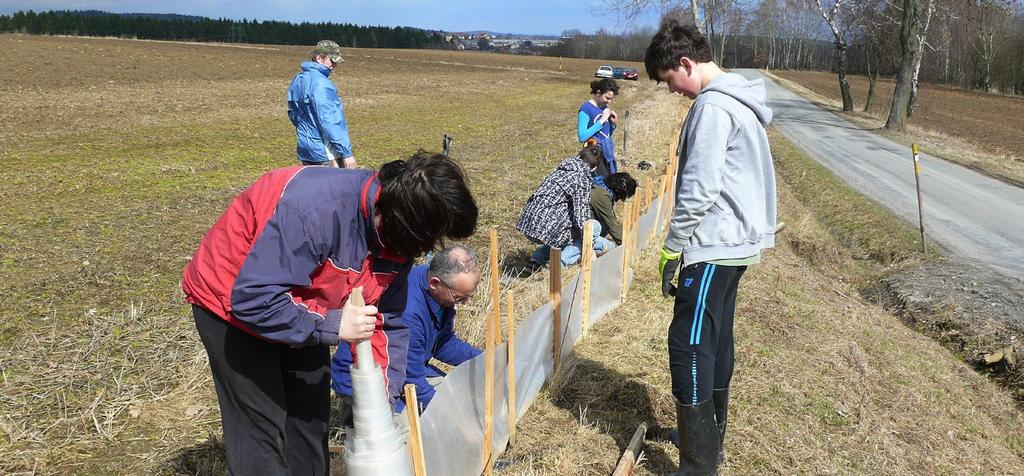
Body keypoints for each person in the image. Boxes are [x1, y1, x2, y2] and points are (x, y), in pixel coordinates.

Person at [181, 151, 477, 475]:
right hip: (234, 302)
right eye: (427, 239)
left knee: (310, 420)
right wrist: (333, 324)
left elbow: (386, 323)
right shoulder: (316, 211)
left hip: (307, 302)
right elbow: (254, 299)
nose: (425, 249)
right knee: (262, 428)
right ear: (400, 220)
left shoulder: (399, 239)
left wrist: (381, 399)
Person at [645, 19, 776, 476]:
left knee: (689, 343)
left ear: (686, 63)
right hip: (736, 244)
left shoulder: (713, 108)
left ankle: (698, 465)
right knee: (716, 339)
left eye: (669, 81)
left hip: (713, 245)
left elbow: (700, 189)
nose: (672, 92)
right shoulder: (739, 101)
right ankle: (706, 441)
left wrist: (673, 246)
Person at [331, 245, 482, 421]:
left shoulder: (436, 286)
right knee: (410, 440)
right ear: (435, 283)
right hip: (373, 383)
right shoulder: (409, 312)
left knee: (459, 398)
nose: (463, 303)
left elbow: (443, 342)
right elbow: (412, 381)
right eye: (459, 298)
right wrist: (450, 416)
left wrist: (485, 360)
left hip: (408, 370)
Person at [517, 145, 614, 267]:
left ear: (579, 156)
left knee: (571, 233)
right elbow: (581, 218)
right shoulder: (581, 178)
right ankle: (557, 265)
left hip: (529, 224)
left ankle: (537, 259)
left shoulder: (559, 170)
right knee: (593, 227)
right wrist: (589, 251)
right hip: (547, 229)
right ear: (594, 167)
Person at [287, 40, 357, 168]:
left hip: (306, 149)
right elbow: (330, 120)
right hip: (325, 152)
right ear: (319, 58)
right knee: (334, 187)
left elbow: (293, 114)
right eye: (332, 60)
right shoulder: (322, 84)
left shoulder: (298, 79)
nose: (334, 65)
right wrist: (347, 154)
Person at [577, 78, 620, 175]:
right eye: (607, 98)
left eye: (611, 99)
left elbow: (605, 135)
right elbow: (582, 136)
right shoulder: (585, 109)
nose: (609, 101)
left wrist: (612, 124)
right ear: (598, 93)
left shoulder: (604, 108)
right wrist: (601, 121)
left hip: (606, 152)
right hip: (593, 155)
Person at [590, 172, 638, 245]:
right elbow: (611, 225)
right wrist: (629, 243)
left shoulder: (599, 184)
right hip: (579, 235)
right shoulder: (601, 195)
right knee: (609, 246)